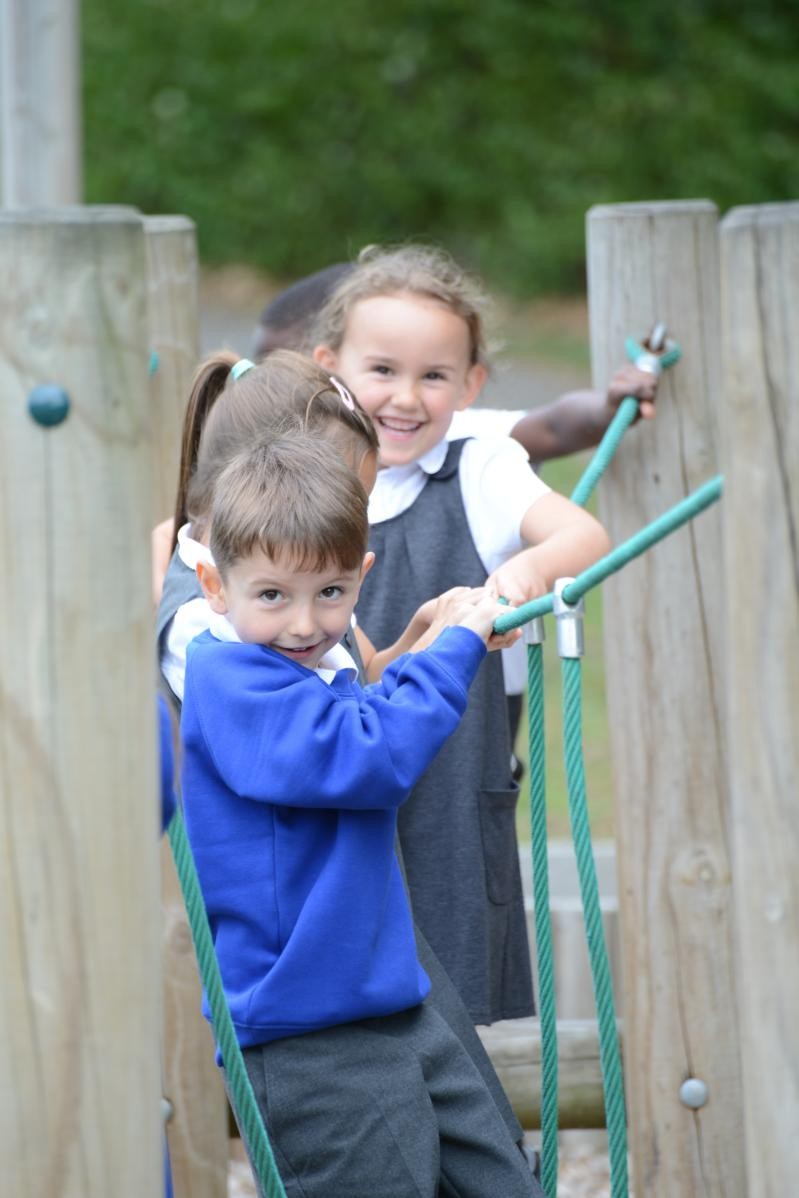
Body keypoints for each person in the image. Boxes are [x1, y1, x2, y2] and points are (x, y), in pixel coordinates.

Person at [155, 347, 536, 1169]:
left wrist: (428, 639)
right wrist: (452, 653)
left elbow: (352, 704)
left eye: (330, 588)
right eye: (274, 595)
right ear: (218, 578)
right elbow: (360, 753)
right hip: (306, 1011)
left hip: (373, 974)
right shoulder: (217, 654)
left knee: (498, 1170)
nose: (303, 622)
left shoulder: (278, 623)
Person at [312, 242, 612, 1025]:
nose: (405, 397)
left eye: (434, 376)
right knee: (339, 958)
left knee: (450, 970)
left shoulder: (478, 467)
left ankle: (469, 1100)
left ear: (471, 384)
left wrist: (515, 579)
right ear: (328, 367)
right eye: (382, 369)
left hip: (448, 777)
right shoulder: (303, 478)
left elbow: (582, 536)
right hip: (332, 764)